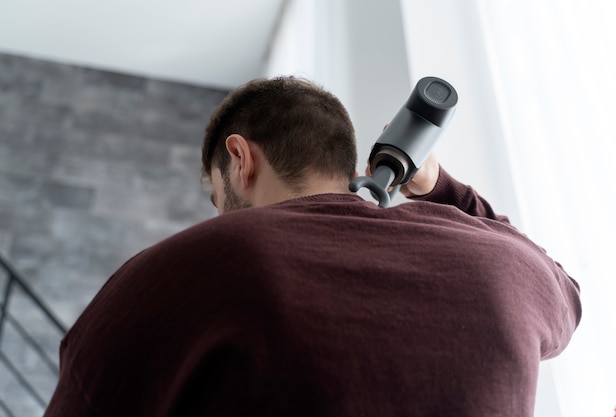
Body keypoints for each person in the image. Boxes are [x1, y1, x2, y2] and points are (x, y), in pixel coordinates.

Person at [44, 76, 581, 417]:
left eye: (216, 197)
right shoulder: (503, 267)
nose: (218, 217)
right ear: (344, 164)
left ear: (240, 158)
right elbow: (566, 296)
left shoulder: (168, 276)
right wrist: (442, 190)